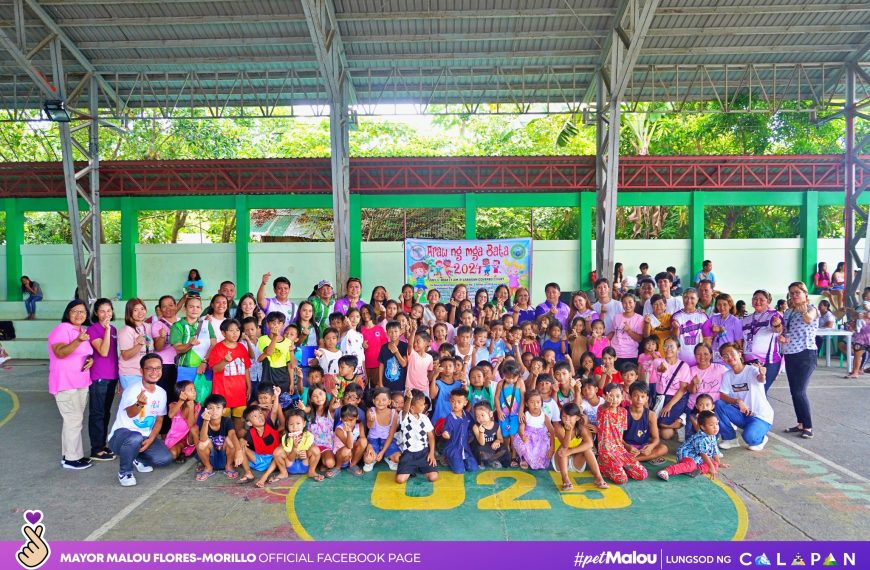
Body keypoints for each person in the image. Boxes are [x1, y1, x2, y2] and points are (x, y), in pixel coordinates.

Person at [107, 353, 173, 485]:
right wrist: (139, 404)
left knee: (165, 459)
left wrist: (151, 439)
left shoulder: (161, 392)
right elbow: (131, 414)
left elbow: (159, 419)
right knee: (135, 437)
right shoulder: (133, 390)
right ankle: (125, 472)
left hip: (144, 436)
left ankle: (136, 457)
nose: (154, 372)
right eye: (150, 368)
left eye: (158, 368)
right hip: (121, 436)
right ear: (141, 371)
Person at [48, 300, 95, 470]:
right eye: (75, 311)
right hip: (66, 384)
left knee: (73, 421)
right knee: (73, 420)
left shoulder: (82, 330)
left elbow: (85, 353)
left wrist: (90, 360)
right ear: (68, 313)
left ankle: (69, 455)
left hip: (81, 382)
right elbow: (60, 352)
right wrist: (77, 341)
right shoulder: (63, 329)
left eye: (82, 312)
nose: (79, 315)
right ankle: (71, 459)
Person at [716, 343, 774, 450]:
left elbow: (760, 379)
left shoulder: (752, 370)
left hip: (760, 416)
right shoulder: (728, 375)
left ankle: (761, 438)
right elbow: (722, 395)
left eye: (732, 353)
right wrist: (738, 401)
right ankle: (730, 439)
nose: (729, 357)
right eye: (725, 355)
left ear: (739, 354)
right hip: (743, 414)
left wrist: (762, 374)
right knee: (719, 404)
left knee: (750, 439)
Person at [780, 281, 818, 439]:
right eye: (792, 293)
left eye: (797, 292)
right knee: (794, 391)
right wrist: (781, 337)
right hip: (790, 353)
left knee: (800, 391)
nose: (794, 295)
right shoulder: (788, 312)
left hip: (805, 354)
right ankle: (800, 423)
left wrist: (804, 312)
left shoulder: (811, 309)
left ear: (805, 294)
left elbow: (809, 319)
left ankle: (808, 426)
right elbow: (785, 330)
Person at [87, 298, 119, 461]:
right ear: (96, 313)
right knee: (97, 413)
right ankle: (96, 449)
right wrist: (106, 330)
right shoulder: (93, 329)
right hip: (99, 377)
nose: (106, 314)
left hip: (112, 376)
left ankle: (102, 444)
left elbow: (114, 356)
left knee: (106, 412)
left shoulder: (113, 329)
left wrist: (118, 377)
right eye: (102, 311)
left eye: (109, 310)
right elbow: (104, 351)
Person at [596, 383, 648, 485]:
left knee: (642, 474)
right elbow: (604, 408)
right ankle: (601, 464)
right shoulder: (602, 409)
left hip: (620, 449)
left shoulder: (623, 412)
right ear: (605, 397)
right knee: (622, 479)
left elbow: (619, 435)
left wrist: (627, 448)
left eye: (618, 396)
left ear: (622, 397)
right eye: (611, 396)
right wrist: (607, 403)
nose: (614, 399)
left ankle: (617, 465)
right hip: (606, 450)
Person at [208, 319, 252, 434]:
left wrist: (249, 386)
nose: (235, 333)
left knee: (239, 420)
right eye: (231, 330)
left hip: (239, 391)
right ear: (223, 333)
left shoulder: (242, 347)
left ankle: (238, 445)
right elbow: (215, 369)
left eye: (237, 330)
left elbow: (246, 368)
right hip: (222, 392)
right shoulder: (218, 348)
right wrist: (225, 361)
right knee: (222, 421)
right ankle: (223, 445)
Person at [552, 402, 607, 490]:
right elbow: (565, 445)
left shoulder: (582, 428)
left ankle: (598, 477)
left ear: (577, 418)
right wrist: (568, 431)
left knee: (587, 449)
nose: (567, 420)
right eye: (564, 416)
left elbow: (590, 443)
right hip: (560, 461)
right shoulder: (558, 427)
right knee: (563, 449)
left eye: (570, 416)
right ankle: (565, 479)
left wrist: (571, 451)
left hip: (576, 462)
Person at [657, 410, 725, 481]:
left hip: (698, 459)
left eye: (717, 424)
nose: (715, 427)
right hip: (687, 456)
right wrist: (710, 466)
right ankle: (666, 471)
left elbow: (714, 451)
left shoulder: (712, 436)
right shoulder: (700, 438)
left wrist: (718, 463)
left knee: (715, 464)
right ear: (703, 427)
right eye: (711, 425)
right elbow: (703, 454)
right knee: (692, 465)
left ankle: (695, 470)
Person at [195, 393, 244, 481]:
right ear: (206, 410)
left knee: (229, 439)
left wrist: (239, 450)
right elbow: (203, 439)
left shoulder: (227, 421)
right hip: (211, 458)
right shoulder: (204, 421)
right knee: (201, 444)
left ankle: (229, 466)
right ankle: (208, 467)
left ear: (224, 410)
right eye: (211, 408)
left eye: (218, 407)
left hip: (225, 457)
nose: (214, 411)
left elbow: (232, 434)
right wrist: (206, 421)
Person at [742, 289, 783, 392]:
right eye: (755, 299)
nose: (757, 301)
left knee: (760, 391)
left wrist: (777, 324)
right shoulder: (746, 319)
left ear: (768, 301)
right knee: (751, 392)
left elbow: (778, 329)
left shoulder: (773, 315)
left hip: (768, 361)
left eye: (761, 299)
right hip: (749, 362)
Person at [395, 388, 438, 484]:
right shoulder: (405, 417)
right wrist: (409, 398)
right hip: (408, 454)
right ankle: (412, 469)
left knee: (433, 477)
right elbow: (405, 409)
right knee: (400, 480)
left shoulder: (425, 418)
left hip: (423, 453)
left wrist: (431, 453)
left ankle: (416, 468)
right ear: (412, 408)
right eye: (422, 405)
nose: (424, 406)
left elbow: (431, 436)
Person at [653, 337, 692, 441]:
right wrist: (660, 369)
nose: (668, 349)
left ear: (678, 349)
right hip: (660, 397)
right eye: (665, 346)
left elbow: (683, 389)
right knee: (665, 434)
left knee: (661, 424)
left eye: (671, 346)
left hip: (677, 398)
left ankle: (680, 423)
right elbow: (658, 369)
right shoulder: (658, 362)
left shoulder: (684, 366)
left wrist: (669, 406)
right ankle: (674, 425)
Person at [170, 296, 215, 383]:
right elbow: (178, 348)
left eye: (198, 307)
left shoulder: (206, 324)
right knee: (186, 395)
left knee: (204, 395)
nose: (195, 310)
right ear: (185, 309)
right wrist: (189, 344)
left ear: (201, 309)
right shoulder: (177, 326)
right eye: (191, 307)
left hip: (205, 368)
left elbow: (214, 345)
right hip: (186, 369)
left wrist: (204, 362)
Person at [623, 382, 668, 463]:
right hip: (625, 446)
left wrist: (651, 446)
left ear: (647, 398)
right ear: (630, 397)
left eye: (643, 396)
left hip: (642, 448)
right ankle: (637, 459)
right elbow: (616, 437)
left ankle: (630, 460)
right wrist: (627, 447)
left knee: (664, 448)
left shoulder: (651, 415)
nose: (639, 399)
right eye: (636, 396)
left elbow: (656, 438)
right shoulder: (623, 412)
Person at [513, 389, 554, 470]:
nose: (535, 405)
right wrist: (522, 436)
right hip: (528, 437)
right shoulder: (526, 415)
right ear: (527, 404)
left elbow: (552, 431)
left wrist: (552, 447)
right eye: (532, 402)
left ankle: (535, 460)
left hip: (540, 439)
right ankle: (524, 459)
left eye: (538, 402)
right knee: (522, 444)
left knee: (542, 450)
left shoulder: (544, 417)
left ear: (541, 403)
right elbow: (521, 428)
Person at [441, 388, 478, 474]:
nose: (456, 405)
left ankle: (461, 460)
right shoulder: (449, 418)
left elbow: (473, 426)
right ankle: (448, 458)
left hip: (465, 448)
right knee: (459, 470)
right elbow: (446, 430)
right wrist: (445, 434)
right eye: (453, 401)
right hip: (453, 448)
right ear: (450, 401)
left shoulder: (467, 415)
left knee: (473, 468)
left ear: (465, 403)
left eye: (459, 402)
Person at [151, 295, 180, 406]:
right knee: (165, 396)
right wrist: (162, 337)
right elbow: (158, 348)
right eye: (164, 307)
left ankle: (177, 423)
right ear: (160, 309)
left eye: (171, 305)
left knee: (178, 397)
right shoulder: (157, 325)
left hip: (181, 364)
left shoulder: (182, 322)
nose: (168, 309)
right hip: (165, 365)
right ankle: (165, 423)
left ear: (176, 306)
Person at [363, 387, 401, 471]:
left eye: (384, 400)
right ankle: (374, 456)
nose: (380, 402)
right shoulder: (370, 411)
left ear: (389, 401)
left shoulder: (394, 413)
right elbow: (369, 426)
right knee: (368, 460)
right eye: (377, 400)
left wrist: (382, 451)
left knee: (398, 459)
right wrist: (371, 419)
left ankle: (387, 457)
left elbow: (391, 435)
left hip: (387, 440)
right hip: (373, 440)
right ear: (373, 401)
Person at [118, 298, 152, 390]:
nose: (140, 312)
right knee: (135, 403)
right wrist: (139, 344)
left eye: (142, 309)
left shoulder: (148, 327)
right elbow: (125, 355)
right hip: (131, 374)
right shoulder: (127, 330)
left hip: (146, 373)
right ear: (129, 312)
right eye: (135, 310)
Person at [670, 288, 709, 366]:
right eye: (686, 297)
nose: (688, 300)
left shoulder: (703, 316)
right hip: (679, 360)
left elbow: (707, 338)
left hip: (698, 361)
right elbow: (674, 338)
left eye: (692, 298)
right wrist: (675, 328)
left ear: (697, 299)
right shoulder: (676, 316)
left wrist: (705, 357)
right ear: (682, 298)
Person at [164, 381, 199, 463]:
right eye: (190, 390)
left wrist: (191, 408)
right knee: (172, 455)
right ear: (181, 393)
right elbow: (170, 415)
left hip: (190, 438)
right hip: (176, 438)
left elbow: (191, 425)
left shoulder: (197, 406)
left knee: (195, 429)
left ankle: (200, 453)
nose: (194, 392)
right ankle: (181, 452)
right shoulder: (174, 404)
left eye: (194, 389)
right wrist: (181, 401)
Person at [703, 293, 743, 363]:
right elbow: (705, 332)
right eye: (719, 305)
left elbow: (739, 343)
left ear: (730, 305)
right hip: (715, 355)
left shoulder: (735, 321)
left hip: (728, 356)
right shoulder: (713, 319)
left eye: (724, 304)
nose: (721, 307)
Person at [471, 401, 510, 468]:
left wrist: (497, 441)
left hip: (492, 447)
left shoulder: (496, 425)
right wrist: (481, 432)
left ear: (491, 414)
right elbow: (482, 443)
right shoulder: (476, 427)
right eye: (477, 416)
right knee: (479, 451)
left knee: (504, 448)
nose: (480, 418)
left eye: (482, 415)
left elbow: (500, 439)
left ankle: (491, 460)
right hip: (482, 447)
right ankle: (490, 461)